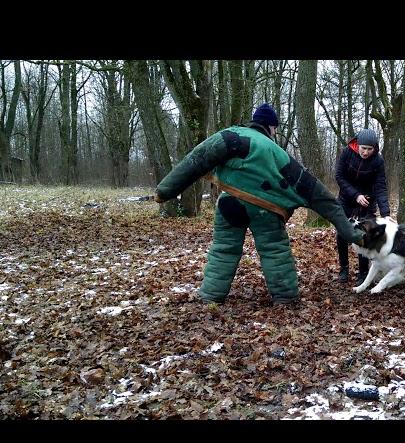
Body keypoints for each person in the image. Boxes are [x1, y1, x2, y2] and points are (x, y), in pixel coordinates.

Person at [154, 103, 364, 305]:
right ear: (271, 127)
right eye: (275, 128)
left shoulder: (231, 136)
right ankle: (285, 297)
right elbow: (318, 195)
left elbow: (195, 160)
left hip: (229, 203)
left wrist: (165, 191)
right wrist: (352, 233)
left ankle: (211, 295)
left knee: (223, 249)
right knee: (274, 250)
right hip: (266, 209)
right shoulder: (277, 153)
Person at [335, 128, 390, 285]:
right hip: (346, 199)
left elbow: (380, 186)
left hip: (367, 203)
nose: (365, 152)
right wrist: (355, 195)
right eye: (363, 148)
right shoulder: (346, 152)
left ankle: (363, 273)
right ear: (357, 145)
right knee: (342, 233)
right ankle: (344, 269)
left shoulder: (378, 161)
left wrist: (385, 212)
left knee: (364, 235)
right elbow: (339, 176)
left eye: (369, 149)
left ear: (375, 148)